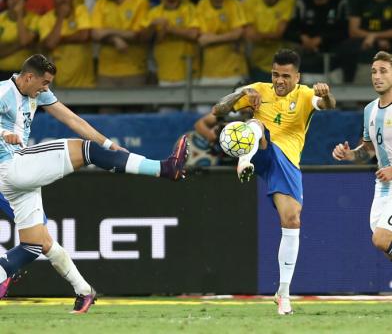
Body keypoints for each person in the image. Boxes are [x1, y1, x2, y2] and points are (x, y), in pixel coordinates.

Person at [0, 54, 188, 312]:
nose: (46, 88)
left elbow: (73, 120)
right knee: (86, 151)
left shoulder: (37, 94)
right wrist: (3, 133)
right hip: (11, 166)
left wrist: (109, 145)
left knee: (34, 244)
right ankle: (165, 168)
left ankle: (83, 292)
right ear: (29, 76)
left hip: (17, 182)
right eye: (44, 82)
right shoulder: (3, 92)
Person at [212, 48, 336, 315]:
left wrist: (326, 94)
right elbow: (218, 109)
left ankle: (283, 293)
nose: (279, 81)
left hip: (286, 162)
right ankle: (243, 160)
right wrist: (242, 93)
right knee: (256, 125)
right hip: (260, 150)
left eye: (286, 76)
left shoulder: (304, 93)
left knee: (292, 221)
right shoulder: (258, 89)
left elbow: (327, 106)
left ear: (297, 76)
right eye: (275, 75)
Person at [332, 50, 392, 263]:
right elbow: (369, 150)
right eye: (374, 72)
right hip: (383, 186)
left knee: (381, 239)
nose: (377, 76)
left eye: (383, 71)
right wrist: (349, 154)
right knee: (384, 243)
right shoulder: (369, 110)